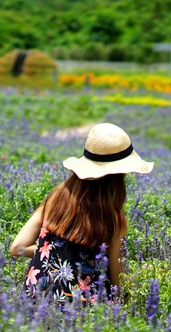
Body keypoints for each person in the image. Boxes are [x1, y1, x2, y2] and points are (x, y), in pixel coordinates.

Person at [10, 123, 154, 305]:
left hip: (33, 304)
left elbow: (17, 248)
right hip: (81, 315)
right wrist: (142, 276)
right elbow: (119, 286)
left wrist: (54, 253)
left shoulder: (55, 198)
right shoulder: (114, 219)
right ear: (120, 175)